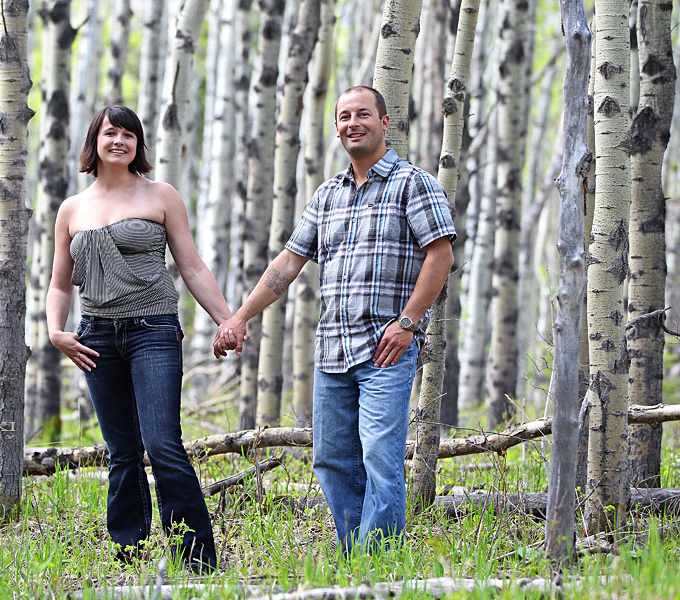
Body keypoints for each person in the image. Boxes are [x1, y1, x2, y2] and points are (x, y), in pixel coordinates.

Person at [215, 86, 456, 554]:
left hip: (385, 349)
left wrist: (406, 324)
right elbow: (287, 264)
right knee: (330, 459)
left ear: (385, 123)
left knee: (381, 459)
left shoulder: (414, 183)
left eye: (362, 115)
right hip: (331, 351)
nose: (352, 124)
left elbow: (440, 257)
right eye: (344, 117)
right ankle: (354, 558)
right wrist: (240, 317)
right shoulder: (328, 194)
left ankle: (375, 563)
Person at [46, 105, 231, 572]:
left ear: (138, 145)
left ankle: (197, 563)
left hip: (153, 331)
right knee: (121, 451)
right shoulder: (72, 208)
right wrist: (55, 332)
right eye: (111, 133)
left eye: (129, 135)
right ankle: (129, 555)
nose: (119, 142)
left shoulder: (161, 195)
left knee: (163, 444)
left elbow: (192, 266)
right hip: (96, 339)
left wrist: (227, 320)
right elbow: (60, 284)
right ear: (95, 141)